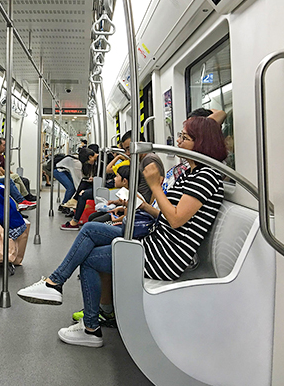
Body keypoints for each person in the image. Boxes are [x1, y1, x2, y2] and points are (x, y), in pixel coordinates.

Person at [17, 116, 227, 348]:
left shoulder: (206, 177)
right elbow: (171, 216)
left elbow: (176, 220)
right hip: (158, 241)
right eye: (179, 135)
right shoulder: (190, 173)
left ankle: (83, 319)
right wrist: (147, 206)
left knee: (90, 259)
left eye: (184, 138)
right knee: (90, 229)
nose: (177, 141)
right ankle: (56, 287)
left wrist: (155, 186)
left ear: (202, 144)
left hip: (168, 256)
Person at [0, 137, 37, 202]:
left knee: (25, 180)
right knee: (20, 180)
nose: (5, 147)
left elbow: (6, 167)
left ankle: (26, 197)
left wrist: (11, 172)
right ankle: (26, 197)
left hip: (6, 173)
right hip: (2, 175)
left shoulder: (2, 156)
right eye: (4, 145)